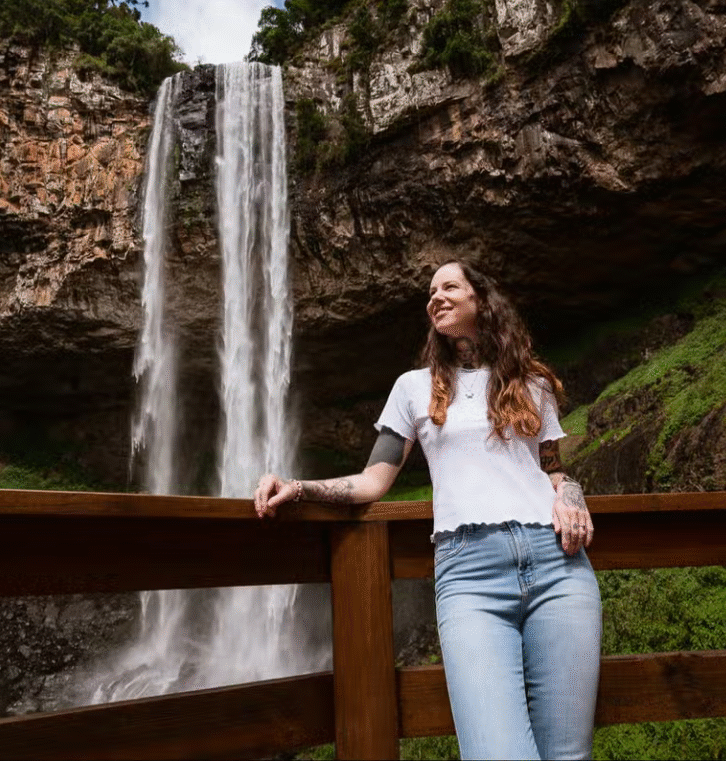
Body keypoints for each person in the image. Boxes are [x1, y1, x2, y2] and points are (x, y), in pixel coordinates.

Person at [254, 260, 601, 760]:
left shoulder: (533, 384)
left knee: (569, 754)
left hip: (558, 564)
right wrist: (299, 487)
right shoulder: (413, 388)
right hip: (470, 573)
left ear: (481, 299)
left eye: (449, 287)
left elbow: (552, 470)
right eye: (430, 291)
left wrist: (572, 496)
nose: (435, 297)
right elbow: (374, 480)